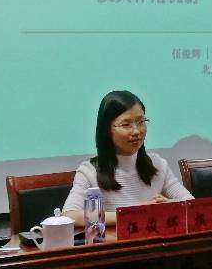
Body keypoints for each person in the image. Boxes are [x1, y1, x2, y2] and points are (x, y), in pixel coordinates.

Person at [63, 90, 193, 226]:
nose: (136, 131)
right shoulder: (89, 171)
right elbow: (69, 215)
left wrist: (172, 206)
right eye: (126, 124)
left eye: (141, 122)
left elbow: (192, 204)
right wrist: (135, 214)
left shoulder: (158, 165)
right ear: (107, 130)